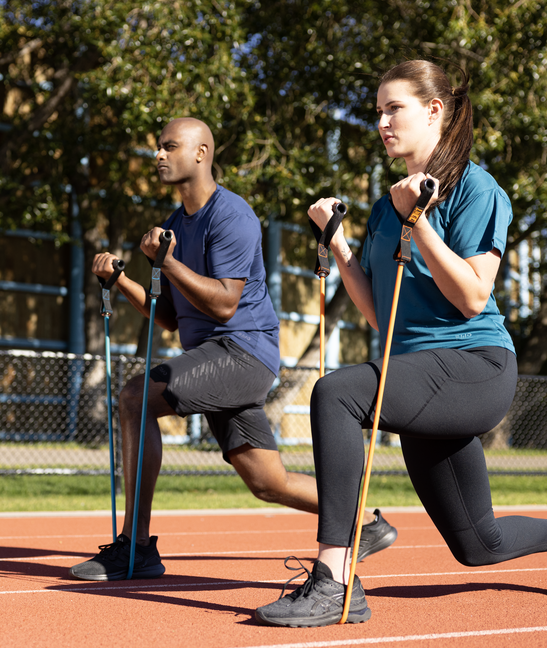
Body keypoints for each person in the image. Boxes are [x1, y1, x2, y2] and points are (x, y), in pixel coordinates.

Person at [254, 61, 547, 627]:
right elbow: (382, 315)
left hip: (476, 367)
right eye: (376, 111)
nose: (380, 121)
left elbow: (474, 295)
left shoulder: (476, 189)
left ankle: (335, 581)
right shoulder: (384, 207)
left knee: (336, 394)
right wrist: (340, 245)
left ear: (434, 111)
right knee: (479, 542)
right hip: (422, 374)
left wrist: (419, 221)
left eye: (393, 108)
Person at [72, 117, 398, 581]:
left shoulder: (232, 215)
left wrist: (167, 262)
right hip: (213, 359)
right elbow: (170, 317)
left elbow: (225, 303)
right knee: (268, 482)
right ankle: (368, 522)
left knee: (134, 397)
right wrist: (121, 280)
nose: (158, 156)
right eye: (157, 148)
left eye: (169, 146)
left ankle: (137, 547)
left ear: (201, 153)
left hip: (243, 352)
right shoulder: (171, 225)